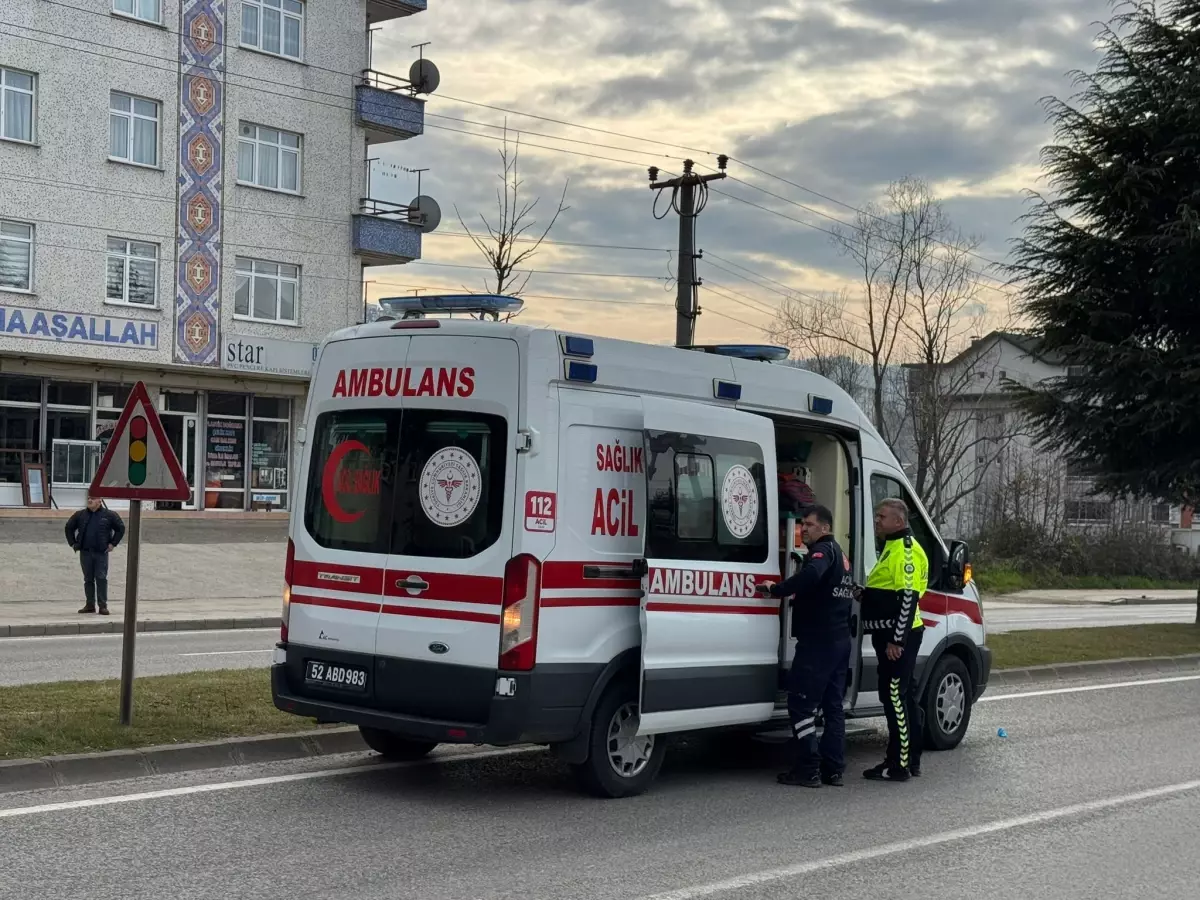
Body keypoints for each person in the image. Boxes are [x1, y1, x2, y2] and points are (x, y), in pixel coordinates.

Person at [759, 504, 856, 788]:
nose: (803, 529)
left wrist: (777, 589)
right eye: (802, 524)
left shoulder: (822, 552)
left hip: (818, 643)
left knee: (801, 706)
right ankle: (834, 769)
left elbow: (812, 574)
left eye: (810, 525)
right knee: (833, 706)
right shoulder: (842, 555)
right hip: (839, 641)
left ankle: (807, 768)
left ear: (825, 528)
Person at [860, 498, 929, 782]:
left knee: (895, 700)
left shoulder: (906, 551)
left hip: (899, 637)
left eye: (881, 516)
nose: (877, 520)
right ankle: (910, 759)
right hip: (891, 634)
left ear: (898, 522)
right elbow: (885, 591)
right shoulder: (893, 546)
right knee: (903, 698)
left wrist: (896, 641)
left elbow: (908, 598)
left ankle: (898, 765)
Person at [64, 496, 125, 615]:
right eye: (88, 498)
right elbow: (69, 527)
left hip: (101, 553)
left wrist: (113, 543)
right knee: (88, 579)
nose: (89, 500)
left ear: (99, 501)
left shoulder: (109, 515)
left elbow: (120, 528)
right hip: (85, 552)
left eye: (93, 498)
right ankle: (90, 604)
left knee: (101, 578)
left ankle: (103, 606)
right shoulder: (80, 515)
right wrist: (73, 543)